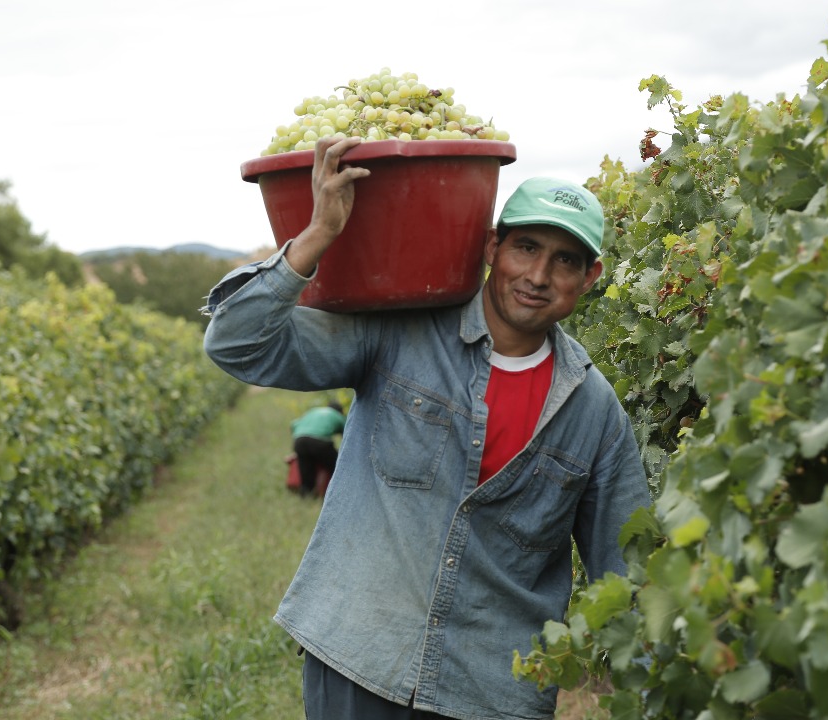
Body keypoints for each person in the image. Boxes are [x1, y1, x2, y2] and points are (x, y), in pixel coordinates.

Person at [202, 136, 652, 720]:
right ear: (494, 246)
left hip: (491, 691)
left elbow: (628, 569)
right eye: (527, 247)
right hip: (361, 656)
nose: (538, 274)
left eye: (565, 260)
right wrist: (317, 235)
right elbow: (238, 344)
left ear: (589, 276)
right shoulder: (399, 332)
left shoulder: (595, 414)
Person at [290, 400, 345, 496]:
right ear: (340, 411)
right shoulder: (338, 415)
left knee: (306, 469)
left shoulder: (314, 411)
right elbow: (348, 433)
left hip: (299, 440)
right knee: (338, 467)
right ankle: (339, 493)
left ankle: (306, 494)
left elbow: (293, 424)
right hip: (320, 442)